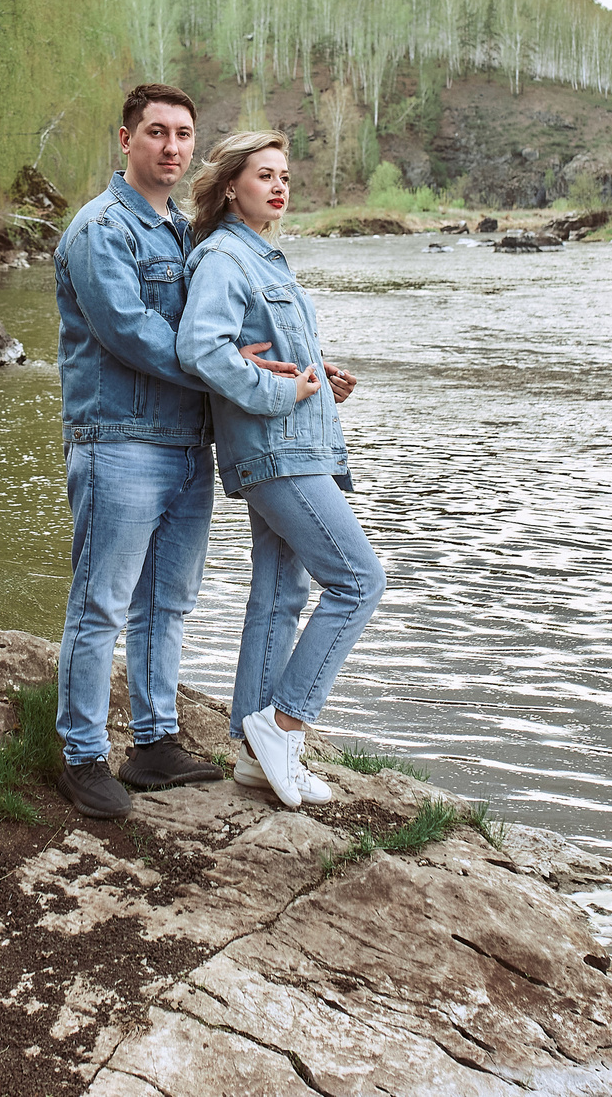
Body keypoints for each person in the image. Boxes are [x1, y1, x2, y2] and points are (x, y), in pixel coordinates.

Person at [51, 84, 298, 819]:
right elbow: (131, 331)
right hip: (118, 440)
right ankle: (81, 752)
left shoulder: (184, 235)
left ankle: (154, 743)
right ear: (124, 140)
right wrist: (223, 365)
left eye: (183, 134)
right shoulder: (102, 229)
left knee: (168, 603)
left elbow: (225, 327)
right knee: (100, 602)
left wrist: (282, 366)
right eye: (156, 132)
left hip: (186, 443)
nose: (171, 146)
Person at [176, 129, 382, 810]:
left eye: (285, 175)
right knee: (358, 580)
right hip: (277, 450)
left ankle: (256, 758)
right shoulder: (226, 258)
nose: (279, 186)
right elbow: (203, 349)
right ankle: (283, 721)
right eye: (264, 174)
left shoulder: (262, 256)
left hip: (291, 444)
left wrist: (321, 375)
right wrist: (281, 393)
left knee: (280, 593)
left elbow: (265, 350)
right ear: (231, 185)